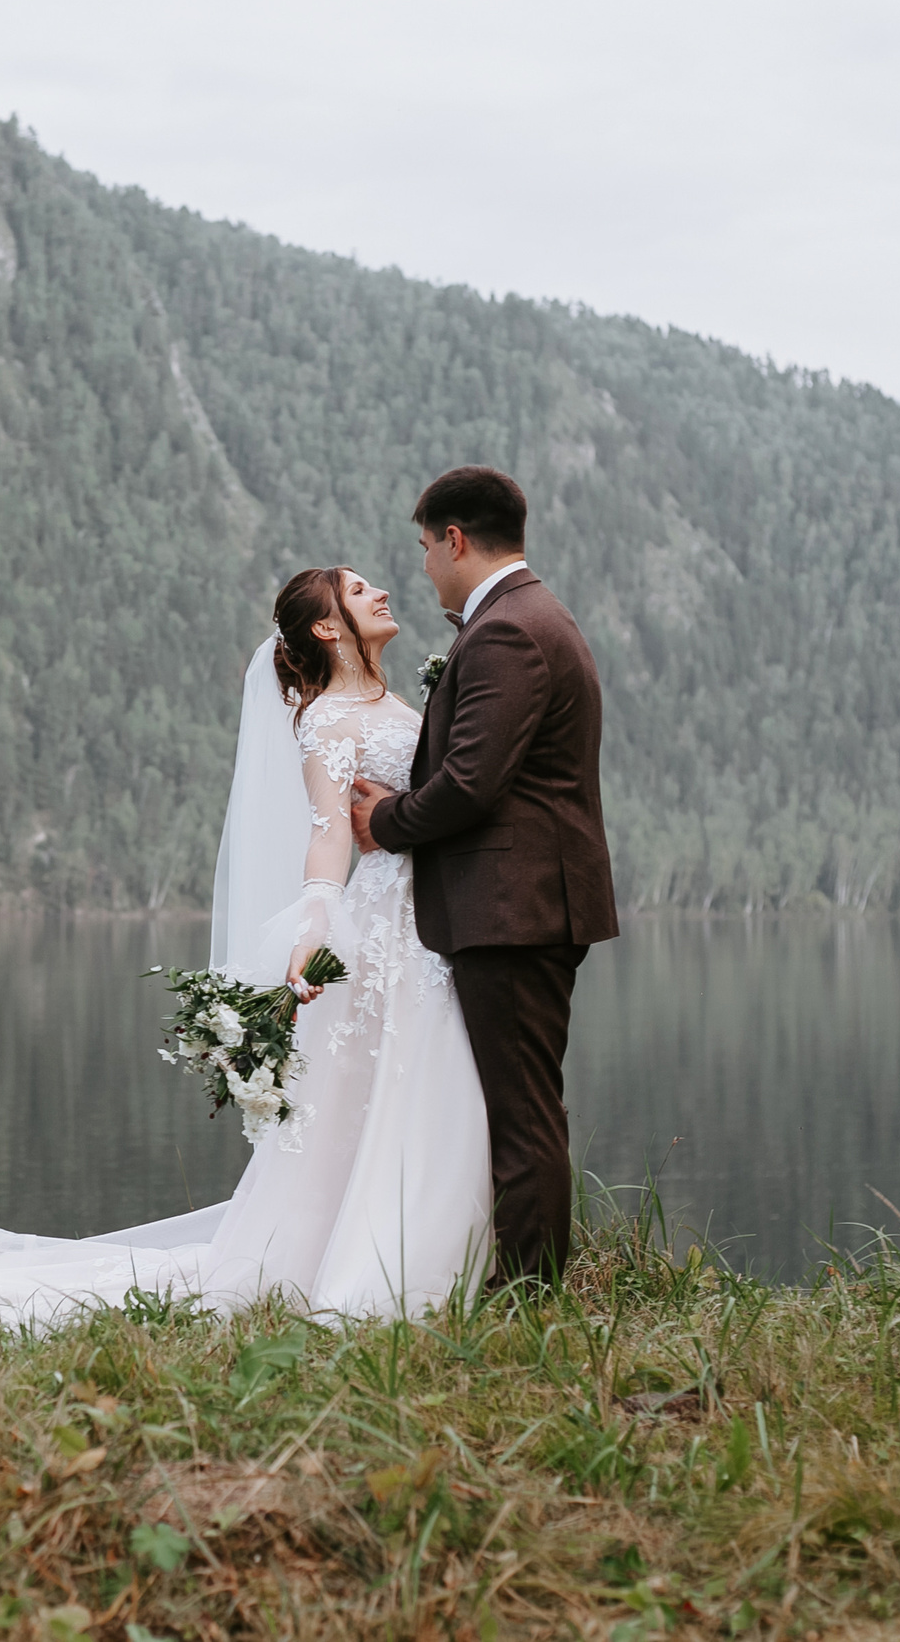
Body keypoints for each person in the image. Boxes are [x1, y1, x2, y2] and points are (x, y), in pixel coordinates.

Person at [0, 566, 494, 1332]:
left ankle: (438, 1251)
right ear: (326, 628)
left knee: (422, 1089)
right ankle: (378, 1269)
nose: (380, 591)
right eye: (357, 591)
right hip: (383, 925)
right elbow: (327, 840)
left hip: (430, 914)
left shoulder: (395, 700)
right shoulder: (326, 722)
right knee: (394, 1091)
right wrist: (315, 932)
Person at [351, 465, 618, 1285]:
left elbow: (472, 781)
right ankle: (518, 1276)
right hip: (526, 902)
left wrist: (382, 821)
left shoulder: (507, 629)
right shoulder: (532, 616)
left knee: (524, 1110)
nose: (425, 565)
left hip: (515, 908)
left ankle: (529, 1291)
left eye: (427, 546)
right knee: (523, 1101)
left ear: (456, 539)